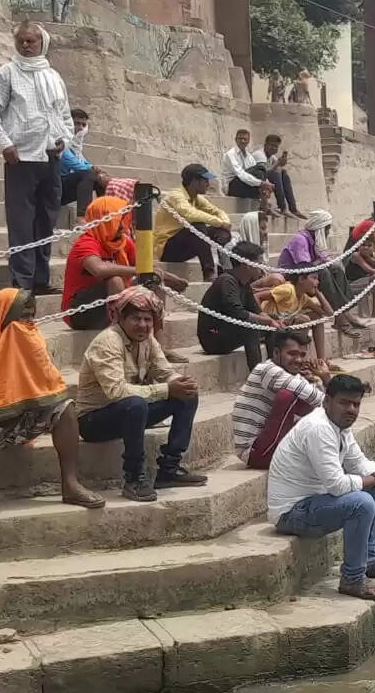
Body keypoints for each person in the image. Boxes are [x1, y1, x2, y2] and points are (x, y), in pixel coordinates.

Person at [0, 288, 105, 525]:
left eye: (30, 317)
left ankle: (70, 483)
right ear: (3, 316)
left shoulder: (30, 338)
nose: (26, 323)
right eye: (20, 317)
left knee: (65, 407)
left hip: (22, 418)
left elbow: (50, 387)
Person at [268, 374, 375, 600]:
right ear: (327, 402)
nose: (351, 409)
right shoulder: (318, 428)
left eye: (356, 404)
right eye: (344, 403)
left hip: (315, 503)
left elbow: (358, 462)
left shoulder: (339, 426)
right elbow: (336, 485)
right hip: (291, 513)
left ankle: (370, 560)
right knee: (361, 502)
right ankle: (352, 579)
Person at [76, 286, 207, 502]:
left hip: (131, 412)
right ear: (121, 319)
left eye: (148, 320)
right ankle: (134, 476)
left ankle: (169, 468)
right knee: (135, 404)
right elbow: (117, 391)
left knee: (187, 395)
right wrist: (166, 389)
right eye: (136, 319)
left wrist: (180, 383)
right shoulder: (108, 342)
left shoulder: (148, 340)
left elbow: (164, 371)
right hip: (94, 420)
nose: (143, 325)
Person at [0, 21, 74, 295]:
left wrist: (64, 141)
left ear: (41, 43)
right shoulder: (7, 73)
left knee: (46, 220)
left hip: (51, 158)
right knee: (22, 221)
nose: (26, 45)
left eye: (31, 41)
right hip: (21, 158)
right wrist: (5, 143)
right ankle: (21, 281)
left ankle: (40, 279)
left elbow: (66, 117)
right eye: (21, 41)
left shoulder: (54, 77)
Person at [61, 197, 190, 361]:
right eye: (117, 220)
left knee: (152, 281)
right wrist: (139, 270)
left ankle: (158, 349)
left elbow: (147, 267)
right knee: (115, 280)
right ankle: (121, 346)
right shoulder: (86, 243)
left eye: (123, 219)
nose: (123, 226)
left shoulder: (123, 242)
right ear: (105, 220)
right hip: (81, 312)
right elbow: (99, 270)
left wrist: (166, 277)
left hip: (113, 303)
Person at [234, 330, 331, 469]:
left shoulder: (292, 375)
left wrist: (322, 378)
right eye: (292, 354)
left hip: (271, 444)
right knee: (287, 396)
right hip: (254, 452)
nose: (298, 360)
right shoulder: (268, 370)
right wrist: (326, 380)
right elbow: (319, 400)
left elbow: (320, 403)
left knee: (307, 403)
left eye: (302, 355)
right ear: (276, 353)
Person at [279, 210, 367, 336]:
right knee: (324, 272)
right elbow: (305, 267)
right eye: (327, 229)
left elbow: (325, 258)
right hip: (293, 277)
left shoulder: (314, 240)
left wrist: (330, 262)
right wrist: (321, 262)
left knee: (336, 267)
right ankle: (340, 319)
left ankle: (345, 312)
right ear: (320, 228)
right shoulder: (300, 240)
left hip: (307, 275)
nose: (327, 233)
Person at [198, 241, 285, 370]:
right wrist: (268, 320)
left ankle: (276, 369)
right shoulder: (226, 281)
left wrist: (273, 321)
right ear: (246, 264)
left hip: (229, 330)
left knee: (271, 321)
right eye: (259, 263)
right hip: (213, 337)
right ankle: (257, 378)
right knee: (250, 327)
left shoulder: (245, 284)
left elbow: (256, 310)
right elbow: (238, 313)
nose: (262, 267)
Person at [155, 164, 232, 282]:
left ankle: (222, 269)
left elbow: (217, 211)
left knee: (222, 233)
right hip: (167, 248)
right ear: (195, 181)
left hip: (184, 244)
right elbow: (190, 214)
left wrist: (224, 222)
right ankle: (209, 273)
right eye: (205, 180)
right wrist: (220, 222)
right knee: (198, 225)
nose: (208, 184)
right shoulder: (176, 195)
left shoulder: (196, 197)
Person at [259, 266, 337, 365]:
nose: (317, 282)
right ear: (301, 279)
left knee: (317, 317)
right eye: (314, 278)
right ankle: (301, 363)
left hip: (283, 327)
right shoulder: (288, 289)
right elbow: (257, 296)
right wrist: (264, 318)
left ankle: (321, 360)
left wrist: (317, 292)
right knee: (303, 319)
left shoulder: (304, 298)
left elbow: (328, 313)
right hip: (268, 328)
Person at [251, 134, 301, 218]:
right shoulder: (259, 155)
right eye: (271, 146)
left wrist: (281, 164)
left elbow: (278, 171)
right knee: (276, 173)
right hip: (252, 184)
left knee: (283, 173)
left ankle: (293, 208)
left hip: (261, 183)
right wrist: (277, 164)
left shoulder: (271, 157)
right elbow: (263, 174)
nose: (274, 148)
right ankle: (283, 207)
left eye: (276, 147)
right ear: (265, 145)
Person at [222, 129, 274, 201]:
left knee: (261, 171)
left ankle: (265, 203)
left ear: (248, 141)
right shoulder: (230, 154)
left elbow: (256, 174)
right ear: (236, 140)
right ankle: (265, 204)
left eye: (245, 139)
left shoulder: (249, 156)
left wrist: (267, 184)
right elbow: (241, 174)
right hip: (232, 187)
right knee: (260, 169)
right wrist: (261, 183)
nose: (242, 141)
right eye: (240, 139)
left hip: (244, 185)